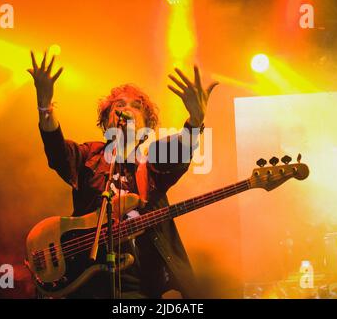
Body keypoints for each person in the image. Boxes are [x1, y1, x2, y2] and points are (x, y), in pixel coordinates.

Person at [28, 50, 218, 299]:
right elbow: (57, 151)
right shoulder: (89, 156)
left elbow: (180, 149)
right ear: (107, 122)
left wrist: (195, 120)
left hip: (139, 283)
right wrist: (45, 106)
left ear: (146, 125)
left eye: (135, 106)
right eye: (119, 106)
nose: (126, 109)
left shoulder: (152, 163)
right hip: (88, 280)